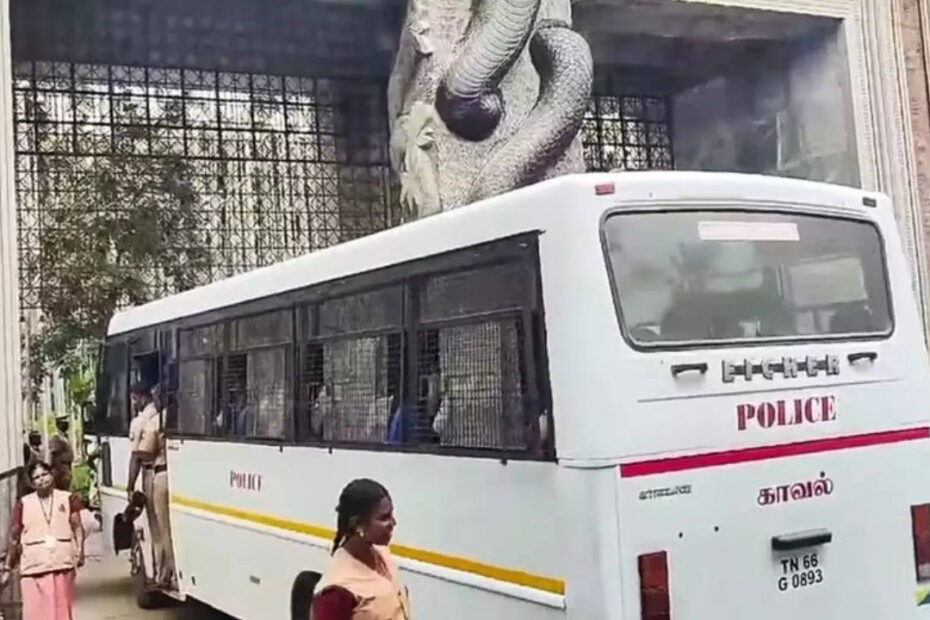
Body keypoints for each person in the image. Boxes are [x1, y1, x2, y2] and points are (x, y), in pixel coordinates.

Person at [312, 479, 410, 620]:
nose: (393, 523)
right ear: (357, 524)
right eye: (384, 518)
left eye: (391, 515)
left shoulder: (383, 555)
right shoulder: (337, 590)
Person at [1, 460, 84, 620]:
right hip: (34, 569)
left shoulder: (67, 498)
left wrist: (80, 550)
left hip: (62, 565)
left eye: (44, 474)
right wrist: (7, 567)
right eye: (37, 477)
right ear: (32, 483)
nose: (42, 479)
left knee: (62, 613)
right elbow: (14, 536)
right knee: (36, 614)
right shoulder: (24, 504)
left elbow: (77, 527)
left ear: (52, 475)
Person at [127, 382, 176, 590]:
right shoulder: (183, 416)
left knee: (160, 528)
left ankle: (164, 573)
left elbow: (140, 455)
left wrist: (130, 485)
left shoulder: (153, 421)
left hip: (157, 474)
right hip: (176, 474)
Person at [47, 417, 74, 492]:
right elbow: (55, 453)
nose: (66, 425)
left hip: (65, 470)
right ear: (58, 425)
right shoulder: (56, 437)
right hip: (60, 471)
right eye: (63, 423)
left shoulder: (64, 436)